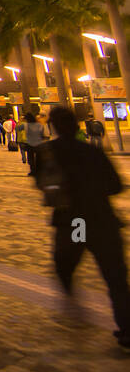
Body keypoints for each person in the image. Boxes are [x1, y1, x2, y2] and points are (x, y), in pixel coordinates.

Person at [35, 107, 130, 353]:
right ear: (76, 125)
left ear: (53, 126)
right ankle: (127, 329)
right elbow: (116, 185)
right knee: (115, 277)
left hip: (74, 222)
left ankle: (73, 304)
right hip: (103, 220)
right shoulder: (93, 151)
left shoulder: (47, 153)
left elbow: (41, 184)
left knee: (65, 264)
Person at [20, 111, 46, 176]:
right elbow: (42, 134)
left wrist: (21, 121)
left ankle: (33, 171)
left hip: (30, 143)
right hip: (38, 143)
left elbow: (18, 128)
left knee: (30, 158)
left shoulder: (26, 125)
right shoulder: (39, 125)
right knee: (38, 158)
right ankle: (38, 170)